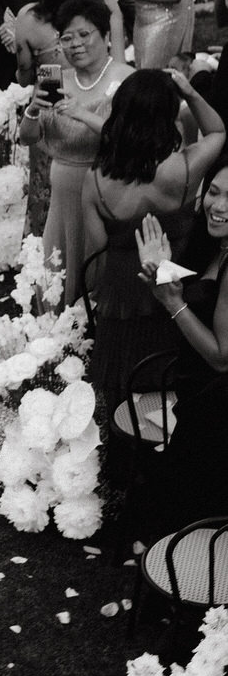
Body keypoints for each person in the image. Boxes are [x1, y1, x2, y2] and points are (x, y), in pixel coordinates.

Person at [82, 69, 224, 411]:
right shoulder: (186, 169)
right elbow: (218, 131)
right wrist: (190, 91)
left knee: (122, 393)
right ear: (168, 117)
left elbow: (96, 252)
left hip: (121, 296)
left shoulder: (96, 181)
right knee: (168, 389)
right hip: (173, 286)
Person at [18, 0, 131, 304]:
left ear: (106, 36)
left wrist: (82, 113)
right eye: (67, 37)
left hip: (105, 188)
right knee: (58, 267)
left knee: (96, 266)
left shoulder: (125, 80)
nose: (76, 44)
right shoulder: (58, 79)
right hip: (63, 193)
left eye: (84, 34)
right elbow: (27, 138)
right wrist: (31, 110)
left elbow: (128, 138)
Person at [134, 160, 228, 533]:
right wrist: (164, 271)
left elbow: (222, 359)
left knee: (194, 513)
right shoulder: (216, 246)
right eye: (215, 192)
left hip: (215, 406)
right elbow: (201, 302)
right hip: (196, 394)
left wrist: (173, 302)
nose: (218, 206)